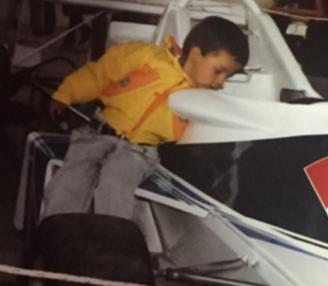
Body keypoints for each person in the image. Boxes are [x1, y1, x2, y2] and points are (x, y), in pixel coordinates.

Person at [42, 16, 248, 219]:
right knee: (68, 183)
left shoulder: (199, 101)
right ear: (195, 54)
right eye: (219, 72)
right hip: (99, 132)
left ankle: (108, 242)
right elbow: (99, 74)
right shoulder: (146, 57)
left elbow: (197, 138)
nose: (221, 83)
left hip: (139, 151)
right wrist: (65, 94)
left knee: (115, 184)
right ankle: (55, 234)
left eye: (227, 77)